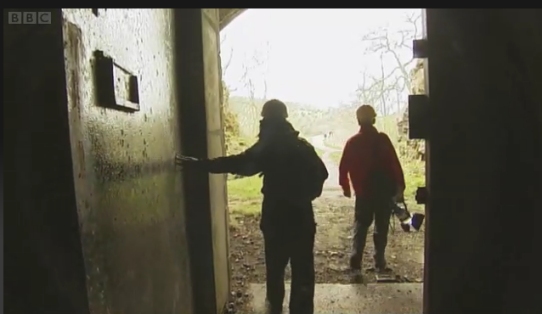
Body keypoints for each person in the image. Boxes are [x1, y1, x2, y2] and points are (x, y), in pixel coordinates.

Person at [176, 99, 328, 314]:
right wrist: (305, 196)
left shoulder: (268, 146)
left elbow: (240, 163)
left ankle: (275, 307)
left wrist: (203, 165)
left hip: (275, 216)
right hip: (302, 216)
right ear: (285, 118)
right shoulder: (302, 146)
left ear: (266, 119)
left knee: (275, 268)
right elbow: (323, 173)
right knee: (303, 270)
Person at [338, 104, 405, 273]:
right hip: (383, 193)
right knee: (381, 227)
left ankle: (356, 258)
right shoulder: (383, 139)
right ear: (374, 119)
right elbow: (394, 164)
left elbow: (343, 166)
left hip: (363, 193)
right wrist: (400, 187)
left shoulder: (352, 142)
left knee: (361, 225)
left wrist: (346, 186)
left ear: (358, 120)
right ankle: (379, 260)